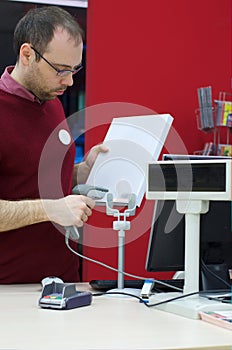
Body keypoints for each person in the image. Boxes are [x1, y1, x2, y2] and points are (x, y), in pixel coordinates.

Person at [0, 6, 107, 283]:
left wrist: (81, 171)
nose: (69, 81)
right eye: (60, 70)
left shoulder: (52, 103)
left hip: (63, 282)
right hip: (10, 290)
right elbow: (49, 202)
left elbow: (32, 177)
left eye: (74, 69)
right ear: (27, 55)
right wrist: (51, 208)